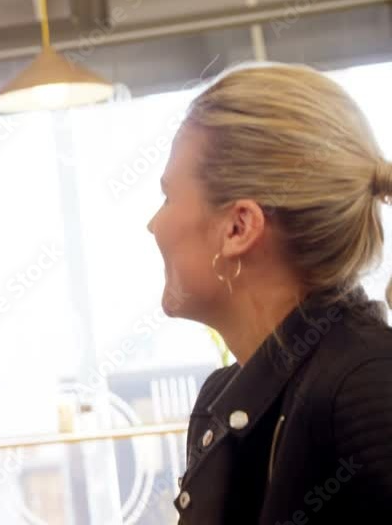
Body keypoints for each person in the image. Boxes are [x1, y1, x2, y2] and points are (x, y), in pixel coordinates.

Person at [147, 62, 392, 524]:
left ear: (239, 227)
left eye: (168, 198)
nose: (153, 225)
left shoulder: (366, 389)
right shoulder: (224, 399)